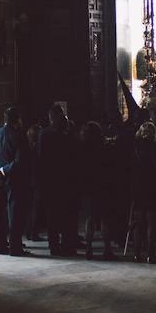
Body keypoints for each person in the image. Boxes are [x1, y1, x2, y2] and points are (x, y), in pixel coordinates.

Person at [0, 106, 31, 256]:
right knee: (14, 214)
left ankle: (1, 247)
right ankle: (15, 248)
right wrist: (2, 172)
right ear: (17, 120)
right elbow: (19, 161)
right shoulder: (19, 135)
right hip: (13, 180)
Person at [40, 105, 77, 256]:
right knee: (66, 216)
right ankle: (67, 246)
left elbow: (42, 159)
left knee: (52, 216)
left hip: (50, 181)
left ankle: (53, 246)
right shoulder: (68, 140)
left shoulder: (44, 135)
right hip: (65, 182)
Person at [78, 121, 117, 260]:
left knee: (90, 219)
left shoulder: (82, 149)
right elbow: (111, 168)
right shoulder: (105, 148)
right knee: (104, 220)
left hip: (88, 188)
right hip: (103, 187)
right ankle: (107, 249)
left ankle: (89, 249)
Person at [131, 121, 156, 263]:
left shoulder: (135, 148)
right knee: (151, 222)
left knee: (139, 222)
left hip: (138, 187)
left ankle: (137, 253)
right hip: (151, 187)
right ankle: (151, 253)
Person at [25, 124, 46, 242]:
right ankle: (34, 232)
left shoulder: (27, 147)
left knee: (31, 208)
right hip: (37, 180)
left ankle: (29, 231)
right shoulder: (38, 148)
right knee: (36, 208)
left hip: (29, 180)